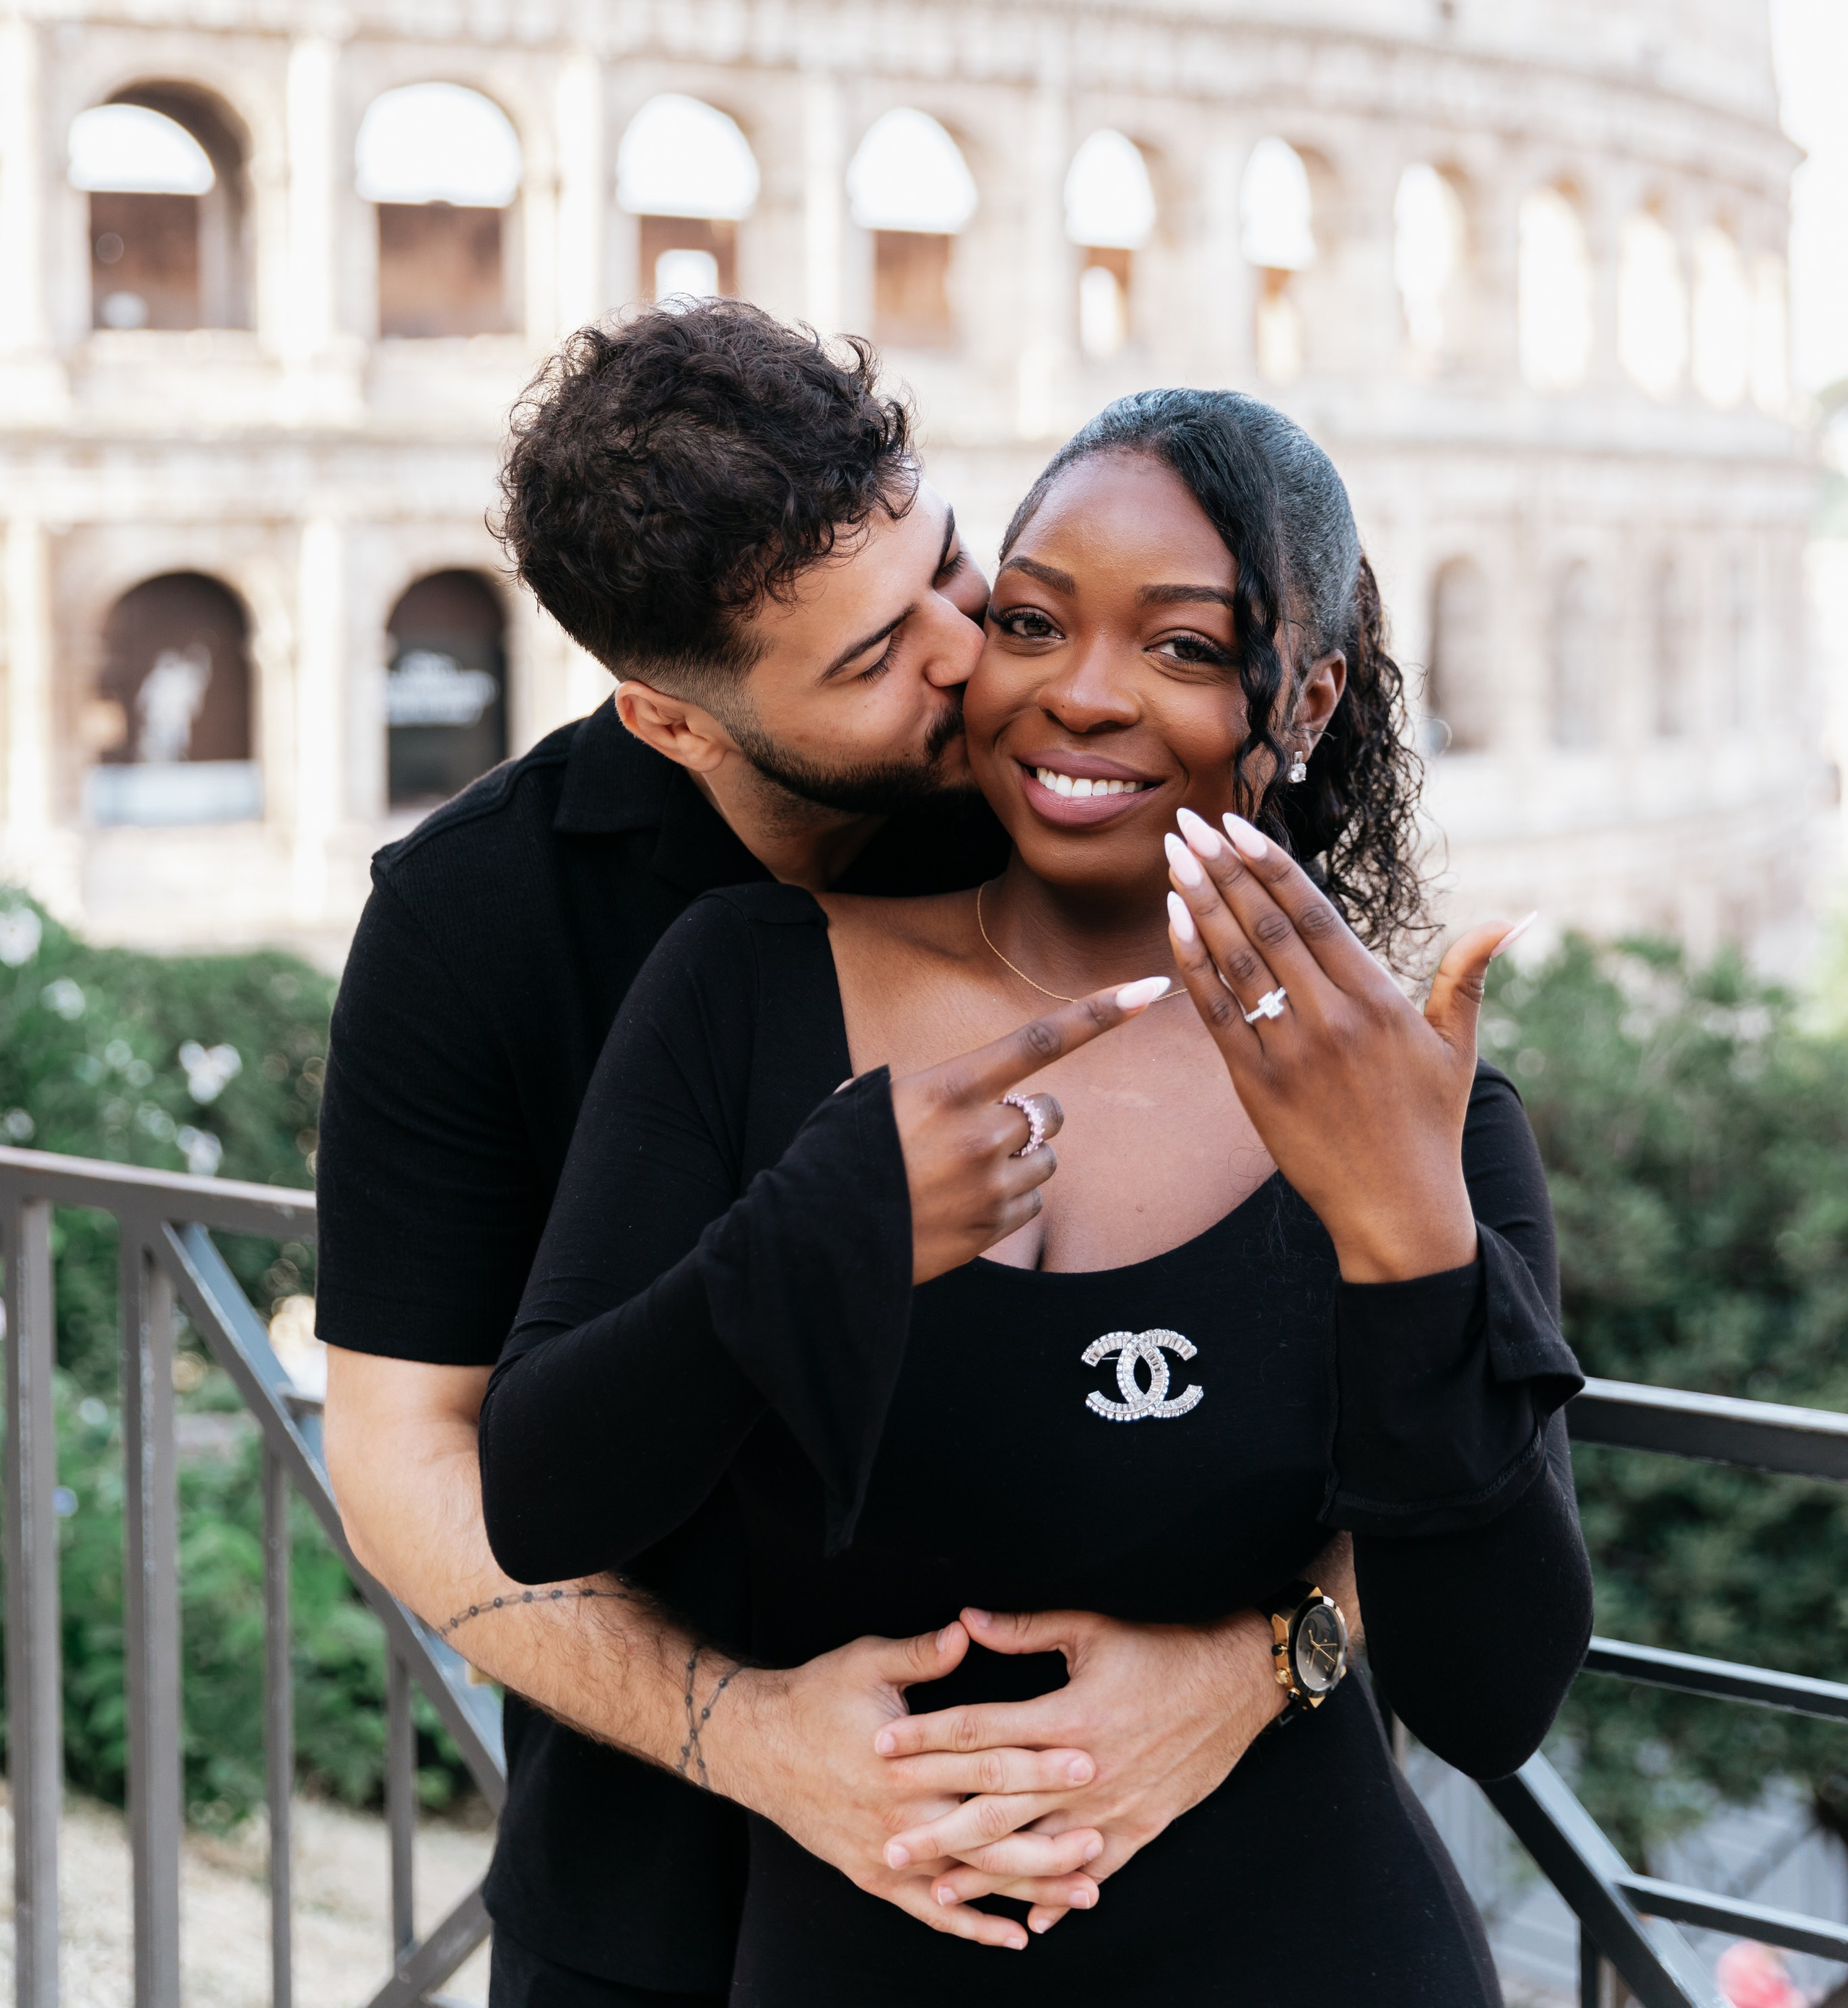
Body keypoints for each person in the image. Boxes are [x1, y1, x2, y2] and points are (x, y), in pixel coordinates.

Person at [479, 386, 1594, 2005]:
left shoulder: (1406, 1109)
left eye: (1185, 649)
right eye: (1026, 619)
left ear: (1308, 697)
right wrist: (819, 1236)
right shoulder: (744, 986)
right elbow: (544, 1503)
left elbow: (1493, 1697)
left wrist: (1406, 1235)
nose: (1081, 696)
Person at [316, 311, 1353, 2005]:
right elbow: (403, 1463)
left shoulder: (1067, 782)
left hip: (1147, 1879)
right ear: (669, 723)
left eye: (954, 568)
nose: (971, 657)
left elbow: (1405, 1342)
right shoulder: (474, 925)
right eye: (874, 660)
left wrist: (1254, 1672)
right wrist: (746, 1740)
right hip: (657, 1892)